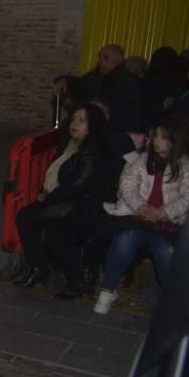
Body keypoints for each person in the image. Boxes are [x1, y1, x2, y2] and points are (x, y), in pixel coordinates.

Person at [92, 120, 189, 314]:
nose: (156, 141)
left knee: (166, 252)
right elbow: (126, 186)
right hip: (137, 220)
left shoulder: (187, 165)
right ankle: (108, 289)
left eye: (162, 137)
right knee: (124, 240)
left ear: (174, 140)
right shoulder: (140, 160)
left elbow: (188, 197)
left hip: (167, 225)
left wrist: (165, 212)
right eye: (154, 135)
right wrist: (141, 207)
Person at [15, 103, 111, 289]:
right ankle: (39, 267)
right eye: (74, 119)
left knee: (54, 231)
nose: (74, 124)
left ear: (93, 126)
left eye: (82, 121)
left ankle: (77, 278)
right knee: (26, 216)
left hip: (83, 207)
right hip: (64, 201)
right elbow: (57, 174)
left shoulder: (91, 151)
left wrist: (47, 199)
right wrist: (45, 192)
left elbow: (77, 186)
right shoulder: (71, 145)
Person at [57, 44, 143, 135]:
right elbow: (82, 84)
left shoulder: (120, 80)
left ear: (118, 61)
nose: (100, 61)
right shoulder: (100, 77)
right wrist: (65, 80)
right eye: (100, 57)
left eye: (105, 58)